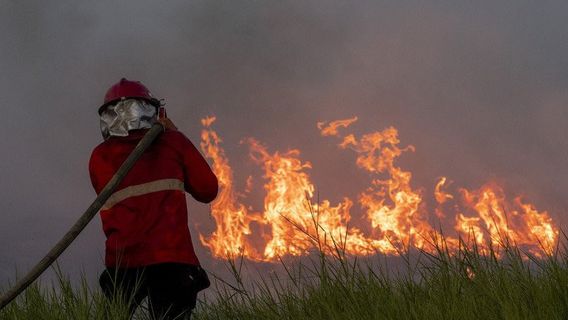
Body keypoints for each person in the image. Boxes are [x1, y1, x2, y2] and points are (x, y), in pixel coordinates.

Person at [89, 78, 218, 319]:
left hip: (122, 262)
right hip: (171, 258)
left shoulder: (99, 157)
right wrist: (172, 133)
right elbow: (207, 190)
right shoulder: (173, 143)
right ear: (153, 111)